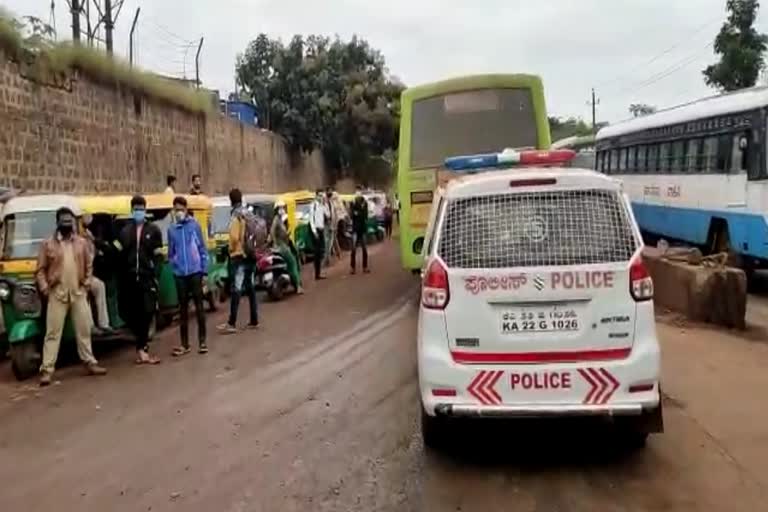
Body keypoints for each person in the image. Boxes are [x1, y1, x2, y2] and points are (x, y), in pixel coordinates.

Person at [36, 207, 107, 386]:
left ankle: (90, 362)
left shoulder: (81, 243)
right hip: (57, 293)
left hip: (78, 292)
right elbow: (40, 270)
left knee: (84, 330)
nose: (67, 225)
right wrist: (45, 288)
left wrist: (87, 284)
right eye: (64, 221)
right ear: (58, 223)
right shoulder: (48, 244)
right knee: (52, 333)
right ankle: (47, 370)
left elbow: (89, 264)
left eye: (70, 221)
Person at [115, 195, 162, 365]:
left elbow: (158, 257)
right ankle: (140, 342)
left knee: (147, 311)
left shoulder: (153, 231)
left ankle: (142, 347)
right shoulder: (125, 232)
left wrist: (155, 275)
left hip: (146, 277)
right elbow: (117, 253)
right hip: (129, 278)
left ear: (145, 210)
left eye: (141, 209)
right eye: (136, 209)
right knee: (128, 312)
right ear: (131, 210)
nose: (139, 212)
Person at [168, 196, 209, 355]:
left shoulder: (194, 226)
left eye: (181, 209)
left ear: (186, 209)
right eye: (176, 209)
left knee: (199, 308)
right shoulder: (171, 230)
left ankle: (202, 342)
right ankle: (185, 344)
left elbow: (202, 249)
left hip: (195, 272)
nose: (179, 212)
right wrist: (175, 265)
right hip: (180, 275)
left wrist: (204, 270)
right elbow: (171, 253)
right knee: (183, 310)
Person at [218, 188, 259, 334]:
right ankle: (254, 320)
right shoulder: (248, 212)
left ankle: (232, 323)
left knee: (236, 289)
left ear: (231, 200)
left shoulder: (236, 215)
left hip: (239, 256)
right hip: (251, 255)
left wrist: (230, 250)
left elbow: (234, 238)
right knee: (251, 288)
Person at [82, 214, 113, 333]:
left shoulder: (89, 237)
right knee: (83, 293)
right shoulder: (75, 239)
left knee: (100, 286)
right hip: (77, 278)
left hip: (88, 275)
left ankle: (104, 323)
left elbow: (91, 256)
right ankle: (90, 326)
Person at [271, 200, 304, 295]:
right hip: (282, 247)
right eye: (280, 208)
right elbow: (272, 232)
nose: (282, 209)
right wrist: (276, 243)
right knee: (293, 263)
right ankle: (298, 286)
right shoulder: (276, 220)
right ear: (276, 209)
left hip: (283, 245)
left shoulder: (280, 220)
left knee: (290, 264)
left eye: (283, 207)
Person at [350, 188, 370, 274]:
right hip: (355, 228)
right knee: (353, 249)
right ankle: (352, 268)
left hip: (362, 228)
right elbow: (352, 215)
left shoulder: (365, 203)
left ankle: (365, 267)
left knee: (364, 249)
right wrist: (357, 212)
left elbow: (365, 215)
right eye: (357, 192)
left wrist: (358, 212)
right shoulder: (353, 203)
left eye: (359, 192)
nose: (358, 193)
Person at [309, 189, 327, 280]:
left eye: (322, 195)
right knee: (316, 253)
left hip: (321, 229)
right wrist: (314, 232)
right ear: (316, 196)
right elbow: (311, 219)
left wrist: (325, 204)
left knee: (321, 252)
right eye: (319, 195)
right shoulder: (313, 205)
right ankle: (316, 274)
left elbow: (327, 215)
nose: (320, 197)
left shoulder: (322, 205)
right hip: (315, 230)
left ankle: (319, 273)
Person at [323, 188, 337, 268]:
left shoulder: (331, 202)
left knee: (330, 243)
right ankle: (326, 260)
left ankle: (327, 259)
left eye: (331, 191)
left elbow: (333, 213)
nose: (330, 192)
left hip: (331, 224)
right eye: (329, 191)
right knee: (326, 242)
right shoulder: (324, 202)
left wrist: (334, 223)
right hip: (326, 224)